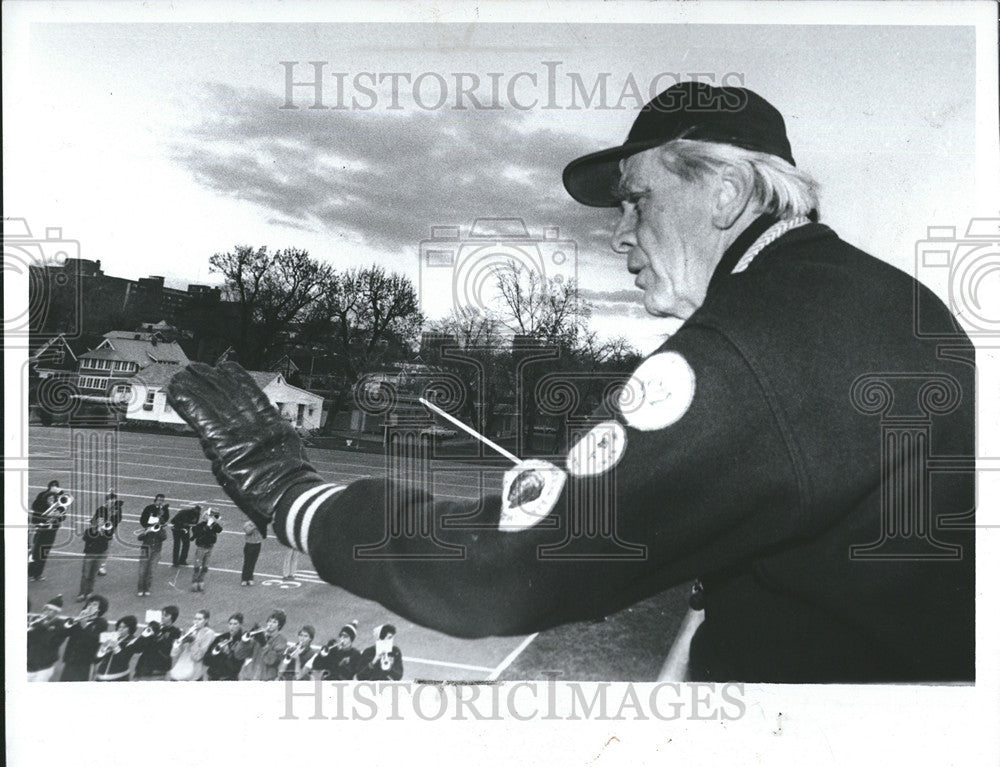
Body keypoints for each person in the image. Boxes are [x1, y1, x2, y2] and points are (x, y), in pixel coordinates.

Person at [167, 82, 975, 684]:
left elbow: (500, 574)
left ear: (724, 192)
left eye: (637, 201)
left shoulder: (749, 343)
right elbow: (798, 541)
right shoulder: (888, 301)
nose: (620, 232)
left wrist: (292, 493)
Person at [59, 594, 109, 681]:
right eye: (90, 604)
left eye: (95, 604)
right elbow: (64, 633)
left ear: (100, 608)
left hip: (85, 664)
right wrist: (74, 622)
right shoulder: (79, 620)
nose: (90, 606)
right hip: (70, 660)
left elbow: (94, 641)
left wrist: (84, 626)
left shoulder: (101, 623)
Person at [28, 480, 67, 582]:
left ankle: (38, 574)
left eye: (52, 498)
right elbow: (34, 518)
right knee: (35, 554)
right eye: (49, 498)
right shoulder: (41, 505)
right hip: (41, 533)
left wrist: (59, 516)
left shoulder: (57, 505)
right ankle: (30, 574)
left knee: (44, 554)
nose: (51, 500)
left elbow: (63, 515)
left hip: (51, 534)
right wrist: (47, 517)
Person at [234, 609, 288, 681]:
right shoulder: (259, 635)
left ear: (279, 625)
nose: (270, 624)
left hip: (265, 679)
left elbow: (271, 661)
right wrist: (245, 642)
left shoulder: (281, 640)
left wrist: (264, 644)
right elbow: (239, 655)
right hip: (248, 677)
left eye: (274, 622)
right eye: (269, 621)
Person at [133, 605, 182, 681]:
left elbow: (168, 650)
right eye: (162, 614)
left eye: (166, 615)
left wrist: (158, 635)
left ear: (172, 617)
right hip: (142, 668)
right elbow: (138, 648)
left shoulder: (175, 632)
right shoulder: (155, 627)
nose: (162, 617)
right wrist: (144, 635)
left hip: (158, 671)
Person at [27, 595, 69, 681]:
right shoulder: (36, 621)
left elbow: (51, 642)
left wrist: (42, 628)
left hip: (45, 667)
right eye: (45, 609)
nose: (46, 612)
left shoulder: (60, 625)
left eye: (50, 610)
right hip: (29, 664)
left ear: (56, 613)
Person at [137, 494, 170, 596]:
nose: (160, 502)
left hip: (156, 549)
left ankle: (147, 588)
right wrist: (148, 529)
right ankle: (140, 589)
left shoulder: (164, 511)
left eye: (162, 500)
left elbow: (164, 536)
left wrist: (160, 521)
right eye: (159, 500)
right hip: (146, 548)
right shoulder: (149, 508)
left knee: (151, 571)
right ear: (155, 500)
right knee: (142, 570)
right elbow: (139, 536)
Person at [168, 609, 215, 681]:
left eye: (200, 619)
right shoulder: (190, 630)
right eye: (195, 619)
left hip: (194, 673)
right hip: (180, 669)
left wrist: (193, 642)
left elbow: (198, 657)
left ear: (206, 620)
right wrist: (179, 644)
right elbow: (174, 654)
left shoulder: (209, 633)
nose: (196, 621)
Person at [93, 615, 140, 681]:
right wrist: (103, 648)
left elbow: (123, 660)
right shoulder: (112, 638)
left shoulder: (133, 641)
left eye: (124, 627)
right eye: (119, 626)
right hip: (100, 677)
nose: (120, 629)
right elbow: (96, 660)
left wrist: (116, 647)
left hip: (119, 678)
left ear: (130, 628)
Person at [78, 517, 114, 600]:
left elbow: (109, 539)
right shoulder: (89, 531)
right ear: (96, 522)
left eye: (102, 521)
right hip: (90, 554)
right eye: (99, 521)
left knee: (93, 575)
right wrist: (97, 532)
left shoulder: (106, 532)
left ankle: (89, 592)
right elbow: (86, 539)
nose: (101, 522)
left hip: (100, 555)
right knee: (85, 575)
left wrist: (104, 532)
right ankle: (82, 593)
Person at [91, 490, 124, 576]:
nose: (112, 502)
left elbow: (119, 519)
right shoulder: (101, 509)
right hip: (100, 532)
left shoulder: (117, 509)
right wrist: (99, 523)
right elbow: (93, 521)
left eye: (114, 500)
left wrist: (114, 514)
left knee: (106, 550)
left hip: (110, 532)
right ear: (106, 501)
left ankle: (102, 566)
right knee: (97, 549)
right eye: (110, 500)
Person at [205, 613, 245, 681]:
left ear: (240, 625)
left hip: (229, 679)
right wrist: (214, 654)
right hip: (212, 677)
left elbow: (235, 668)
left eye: (235, 624)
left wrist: (228, 653)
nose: (232, 627)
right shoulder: (221, 638)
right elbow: (206, 661)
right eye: (230, 624)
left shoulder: (243, 641)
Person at [190, 509, 222, 592]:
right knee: (197, 566)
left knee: (205, 567)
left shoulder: (213, 525)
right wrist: (207, 525)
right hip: (201, 547)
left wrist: (213, 523)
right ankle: (194, 582)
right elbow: (199, 533)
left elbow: (219, 529)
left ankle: (201, 581)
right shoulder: (199, 526)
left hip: (209, 547)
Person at [169, 502, 203, 567]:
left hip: (185, 530)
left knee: (186, 544)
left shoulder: (197, 515)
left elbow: (194, 525)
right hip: (177, 529)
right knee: (177, 545)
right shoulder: (183, 513)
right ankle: (175, 562)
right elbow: (173, 521)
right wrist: (182, 523)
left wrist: (194, 535)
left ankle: (182, 560)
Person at [240, 520, 264, 586]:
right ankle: (244, 579)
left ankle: (250, 578)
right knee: (247, 562)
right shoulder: (248, 524)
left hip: (257, 544)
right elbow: (248, 531)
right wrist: (254, 526)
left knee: (253, 562)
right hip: (249, 544)